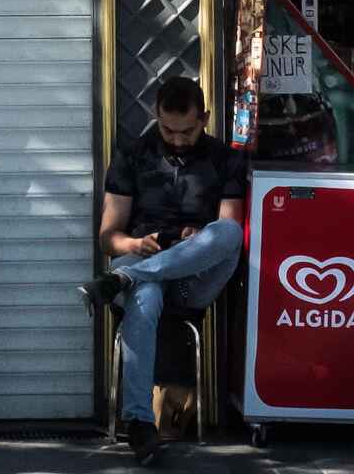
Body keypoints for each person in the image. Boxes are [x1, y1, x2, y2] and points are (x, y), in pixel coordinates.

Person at [80, 76, 246, 467]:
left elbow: (228, 229)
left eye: (187, 130)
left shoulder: (227, 159)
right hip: (141, 257)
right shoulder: (131, 154)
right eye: (167, 129)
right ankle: (140, 422)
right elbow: (108, 238)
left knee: (229, 232)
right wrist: (135, 247)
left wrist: (197, 238)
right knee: (146, 291)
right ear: (156, 116)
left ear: (205, 118)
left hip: (192, 277)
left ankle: (122, 279)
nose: (177, 139)